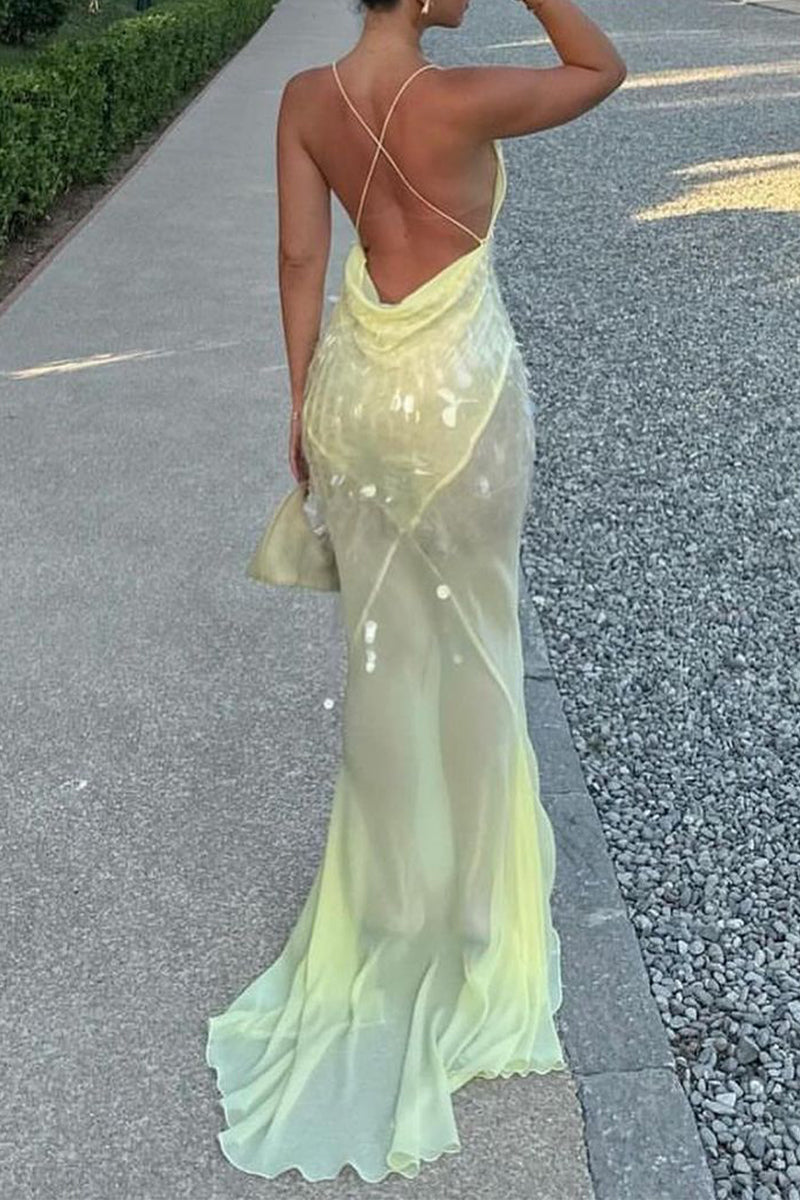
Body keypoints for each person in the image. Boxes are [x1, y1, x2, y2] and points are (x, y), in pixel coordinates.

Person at [205, 0, 626, 1183]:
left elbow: (300, 259)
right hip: (457, 398)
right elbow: (599, 66)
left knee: (383, 656)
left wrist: (299, 406)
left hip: (352, 397)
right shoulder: (463, 99)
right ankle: (477, 918)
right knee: (477, 648)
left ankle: (392, 906)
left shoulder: (306, 102)